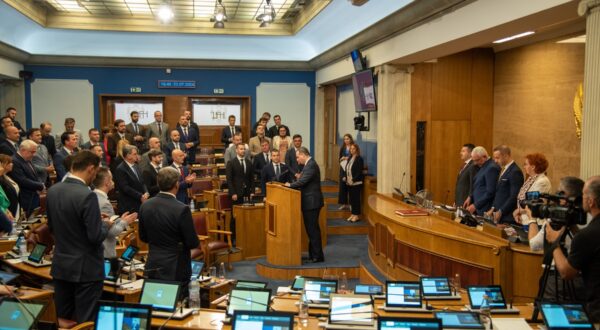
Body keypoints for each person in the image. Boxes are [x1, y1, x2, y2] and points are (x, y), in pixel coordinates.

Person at [47, 150, 110, 323]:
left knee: (62, 318)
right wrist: (105, 224)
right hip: (86, 270)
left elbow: (51, 228)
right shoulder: (87, 195)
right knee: (86, 321)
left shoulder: (53, 190)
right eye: (96, 172)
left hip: (61, 265)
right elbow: (95, 236)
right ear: (91, 169)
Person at [546, 176, 600, 322]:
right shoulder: (587, 234)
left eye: (583, 195)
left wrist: (554, 242)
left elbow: (566, 272)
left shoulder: (588, 234)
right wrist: (573, 229)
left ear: (591, 201)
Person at [138, 167, 201, 289]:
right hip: (176, 266)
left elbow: (143, 237)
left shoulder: (145, 205)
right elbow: (192, 242)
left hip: (153, 263)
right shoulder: (182, 209)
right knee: (177, 304)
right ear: (176, 184)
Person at [525, 177, 586, 301]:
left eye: (559, 193)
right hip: (583, 280)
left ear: (564, 197)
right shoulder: (587, 217)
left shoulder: (556, 218)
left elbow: (534, 245)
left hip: (556, 278)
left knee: (551, 316)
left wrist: (531, 218)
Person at [286, 147, 324, 263]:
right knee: (311, 230)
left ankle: (318, 256)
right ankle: (313, 254)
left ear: (303, 155)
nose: (297, 160)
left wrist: (289, 186)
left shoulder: (311, 165)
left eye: (298, 157)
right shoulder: (309, 165)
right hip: (310, 202)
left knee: (312, 230)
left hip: (311, 203)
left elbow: (303, 182)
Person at [93, 167, 137, 258]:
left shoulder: (93, 196)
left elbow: (103, 223)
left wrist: (120, 220)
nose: (113, 182)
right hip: (105, 251)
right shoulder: (104, 203)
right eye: (111, 179)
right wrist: (125, 222)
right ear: (107, 182)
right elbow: (111, 232)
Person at [486, 145, 524, 224]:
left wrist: (501, 211)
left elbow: (514, 196)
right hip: (498, 215)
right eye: (494, 158)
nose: (495, 161)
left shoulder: (515, 171)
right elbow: (499, 192)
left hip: (507, 217)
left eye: (497, 158)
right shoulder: (504, 169)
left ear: (506, 156)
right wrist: (493, 208)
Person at [9, 140, 45, 216]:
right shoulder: (15, 161)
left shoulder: (27, 159)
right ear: (23, 150)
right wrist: (40, 185)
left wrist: (40, 183)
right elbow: (22, 180)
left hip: (34, 196)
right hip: (25, 199)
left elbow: (36, 175)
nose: (34, 155)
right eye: (32, 152)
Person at [513, 153, 552, 223]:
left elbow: (534, 204)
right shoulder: (530, 179)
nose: (524, 167)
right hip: (525, 219)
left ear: (533, 166)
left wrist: (518, 211)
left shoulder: (542, 181)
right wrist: (519, 212)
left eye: (526, 164)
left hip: (536, 221)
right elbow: (522, 198)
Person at [464, 146, 500, 215]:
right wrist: (470, 197)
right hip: (479, 207)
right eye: (474, 160)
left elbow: (490, 192)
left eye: (477, 160)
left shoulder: (491, 168)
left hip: (485, 208)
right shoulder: (484, 165)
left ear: (484, 156)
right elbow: (478, 185)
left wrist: (476, 205)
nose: (475, 163)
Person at [114, 145, 148, 214]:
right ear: (128, 156)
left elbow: (142, 182)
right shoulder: (120, 169)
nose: (137, 156)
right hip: (129, 204)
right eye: (135, 154)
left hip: (140, 201)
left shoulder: (136, 166)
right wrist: (140, 196)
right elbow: (125, 188)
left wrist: (146, 193)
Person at [344, 143, 364, 222]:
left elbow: (359, 172)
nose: (351, 150)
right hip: (349, 182)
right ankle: (352, 214)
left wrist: (353, 179)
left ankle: (356, 215)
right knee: (351, 200)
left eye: (353, 149)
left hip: (356, 183)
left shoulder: (359, 159)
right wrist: (346, 177)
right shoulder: (350, 158)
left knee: (356, 200)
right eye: (351, 149)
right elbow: (347, 169)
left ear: (357, 150)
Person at [337, 134, 353, 211]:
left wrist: (346, 158)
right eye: (345, 139)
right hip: (343, 169)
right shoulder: (342, 148)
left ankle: (351, 204)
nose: (346, 140)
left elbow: (355, 156)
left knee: (350, 187)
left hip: (351, 169)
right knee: (342, 187)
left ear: (350, 139)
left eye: (347, 139)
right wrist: (341, 159)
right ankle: (344, 204)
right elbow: (339, 158)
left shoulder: (353, 147)